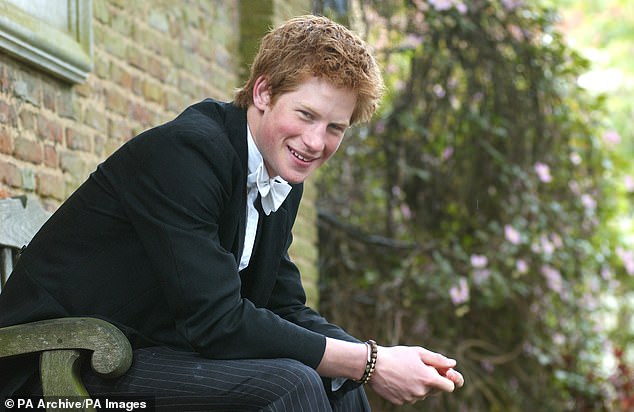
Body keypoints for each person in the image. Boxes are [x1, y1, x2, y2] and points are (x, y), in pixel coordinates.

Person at [0, 15, 463, 410]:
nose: (316, 142)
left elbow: (281, 305)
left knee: (337, 384)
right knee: (292, 382)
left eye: (335, 127)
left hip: (145, 353)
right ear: (262, 92)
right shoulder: (185, 154)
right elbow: (216, 322)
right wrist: (369, 364)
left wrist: (369, 357)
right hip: (58, 365)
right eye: (305, 115)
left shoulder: (279, 170)